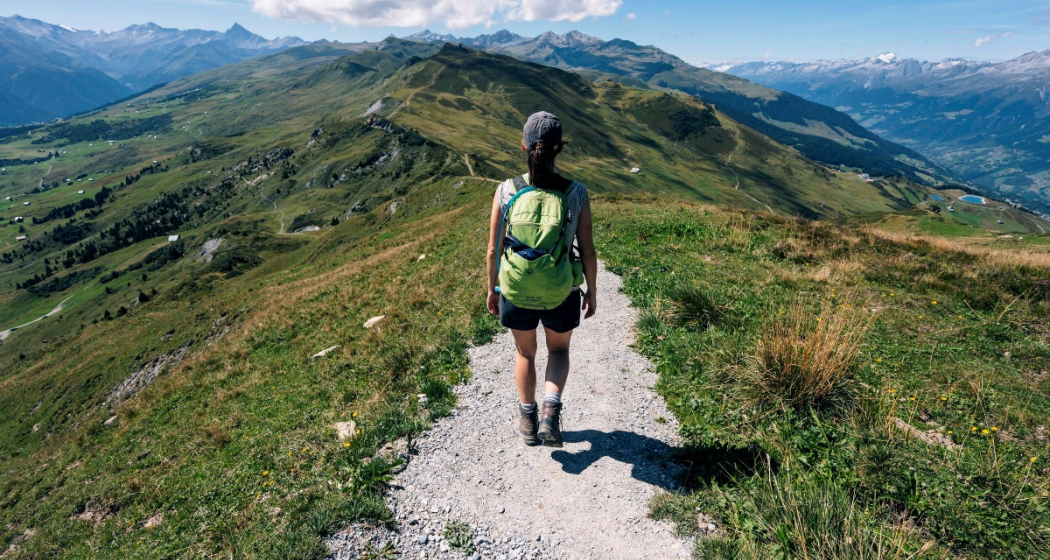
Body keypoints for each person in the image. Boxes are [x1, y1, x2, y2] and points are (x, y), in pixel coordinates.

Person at [486, 111, 598, 447]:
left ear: (524, 145)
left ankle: (527, 417)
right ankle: (551, 411)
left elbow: (493, 249)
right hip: (561, 288)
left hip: (516, 288)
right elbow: (588, 250)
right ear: (558, 149)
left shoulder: (506, 191)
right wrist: (591, 290)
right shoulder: (575, 193)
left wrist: (493, 289)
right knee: (559, 351)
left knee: (525, 353)